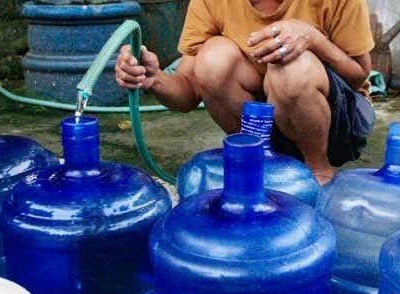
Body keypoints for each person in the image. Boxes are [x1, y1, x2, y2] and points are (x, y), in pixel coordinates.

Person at [114, 0, 376, 184]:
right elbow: (190, 91)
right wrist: (155, 80)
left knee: (289, 68)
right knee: (213, 58)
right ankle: (259, 159)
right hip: (267, 122)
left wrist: (313, 39)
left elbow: (357, 75)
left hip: (340, 126)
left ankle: (318, 172)